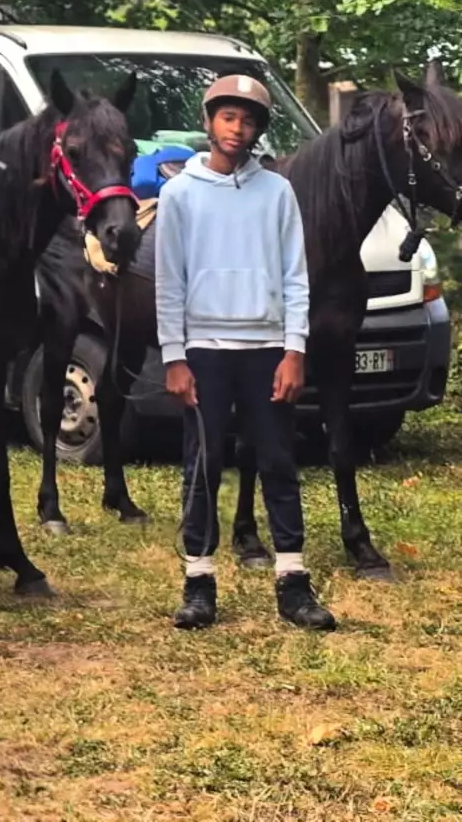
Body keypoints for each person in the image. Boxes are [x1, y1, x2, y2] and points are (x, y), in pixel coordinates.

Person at [156, 72, 333, 632]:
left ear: (259, 130)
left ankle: (293, 582)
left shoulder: (276, 192)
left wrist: (294, 350)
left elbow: (296, 276)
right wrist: (174, 356)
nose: (238, 128)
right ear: (210, 121)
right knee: (203, 466)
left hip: (266, 349)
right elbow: (169, 281)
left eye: (249, 120)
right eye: (229, 117)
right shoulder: (179, 194)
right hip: (204, 350)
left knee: (278, 460)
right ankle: (199, 582)